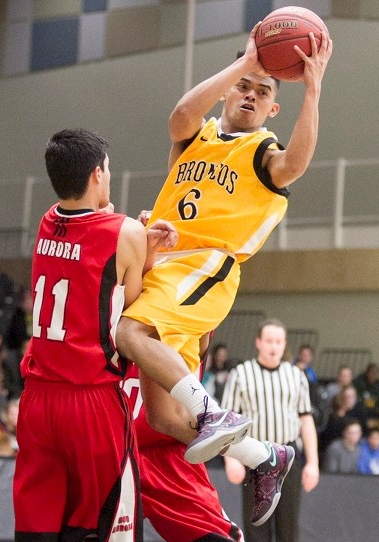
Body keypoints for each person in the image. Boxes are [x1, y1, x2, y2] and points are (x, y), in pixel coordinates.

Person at [115, 23, 333, 468]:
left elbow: (295, 164)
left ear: (273, 108)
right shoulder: (196, 135)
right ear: (225, 91)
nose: (250, 95)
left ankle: (211, 412)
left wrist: (312, 91)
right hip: (159, 266)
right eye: (242, 86)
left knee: (127, 333)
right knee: (161, 416)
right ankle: (266, 458)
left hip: (203, 268)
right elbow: (178, 115)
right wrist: (248, 62)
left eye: (262, 92)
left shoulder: (262, 152)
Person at [13, 128, 177, 542]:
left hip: (39, 402)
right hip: (91, 404)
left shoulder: (46, 223)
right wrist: (148, 253)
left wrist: (136, 240)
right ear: (98, 172)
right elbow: (134, 313)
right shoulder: (123, 231)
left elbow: (93, 245)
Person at [48, 363, 264, 542]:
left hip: (168, 456)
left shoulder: (186, 330)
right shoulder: (119, 332)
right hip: (108, 446)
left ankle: (260, 454)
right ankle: (261, 454)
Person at [221, 319, 319, 542]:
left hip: (287, 457)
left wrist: (312, 462)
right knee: (257, 530)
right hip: (254, 457)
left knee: (288, 530)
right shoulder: (241, 374)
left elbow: (306, 419)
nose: (274, 346)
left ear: (284, 345)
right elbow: (227, 420)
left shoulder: (296, 375)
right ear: (259, 342)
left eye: (279, 341)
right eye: (269, 341)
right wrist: (231, 459)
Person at [353, 362, 379, 431]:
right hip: (362, 411)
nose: (373, 376)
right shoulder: (359, 383)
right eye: (372, 373)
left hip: (373, 411)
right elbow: (358, 401)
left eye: (375, 374)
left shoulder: (377, 385)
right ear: (367, 373)